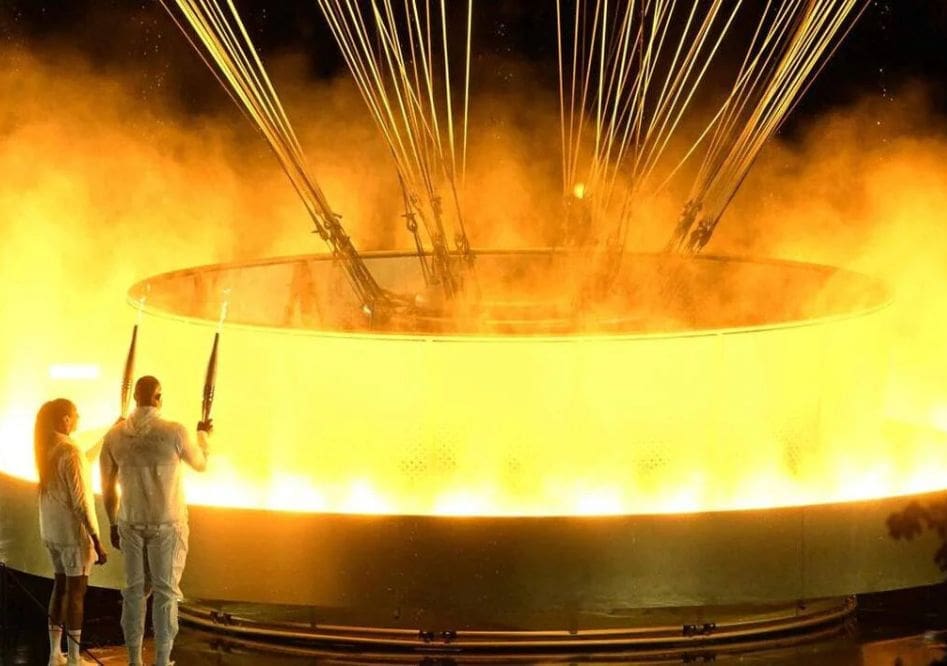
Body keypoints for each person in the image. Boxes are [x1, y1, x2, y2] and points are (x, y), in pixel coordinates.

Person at [100, 376, 211, 666]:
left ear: (135, 397)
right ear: (159, 397)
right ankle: (162, 660)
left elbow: (107, 487)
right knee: (166, 593)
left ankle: (134, 660)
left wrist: (112, 523)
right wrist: (203, 437)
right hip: (167, 524)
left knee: (134, 592)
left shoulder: (114, 436)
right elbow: (200, 464)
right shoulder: (174, 432)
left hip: (129, 522)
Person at [35, 398, 108, 666]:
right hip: (71, 534)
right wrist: (97, 540)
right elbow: (81, 502)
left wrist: (107, 434)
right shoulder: (69, 451)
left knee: (60, 587)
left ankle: (55, 654)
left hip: (52, 532)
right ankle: (76, 658)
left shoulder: (47, 447)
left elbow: (81, 460)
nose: (78, 419)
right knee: (77, 592)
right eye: (75, 415)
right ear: (65, 418)